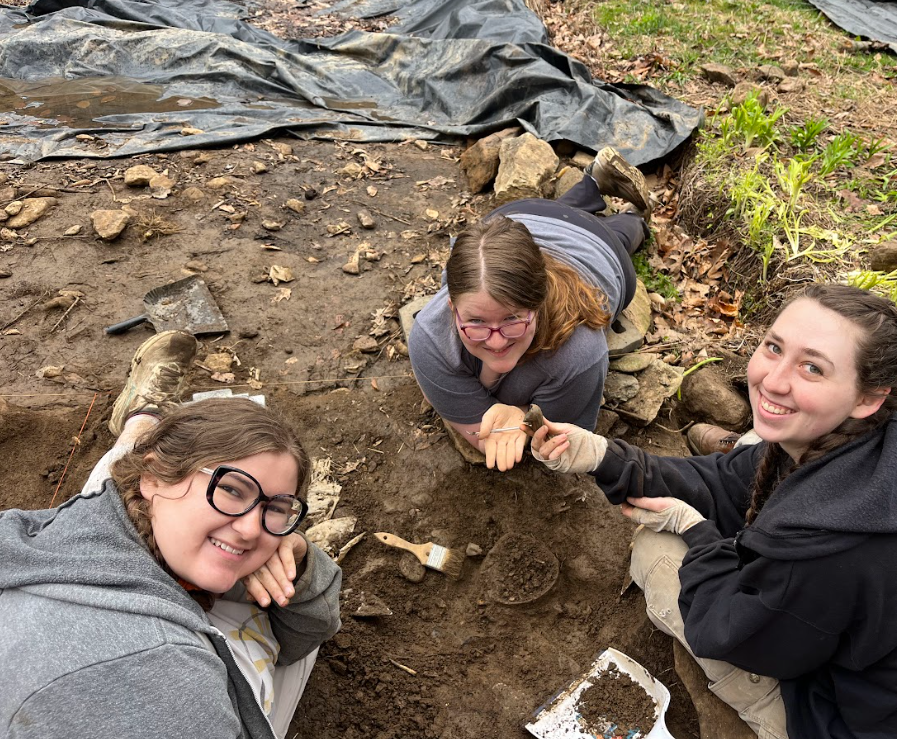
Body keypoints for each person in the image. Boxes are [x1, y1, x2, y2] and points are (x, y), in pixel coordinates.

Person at [530, 284, 897, 739]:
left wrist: (696, 534)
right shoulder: (882, 443)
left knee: (655, 552)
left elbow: (732, 633)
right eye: (774, 347)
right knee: (761, 440)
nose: (772, 381)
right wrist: (601, 456)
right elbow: (727, 478)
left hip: (863, 726)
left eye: (812, 369)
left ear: (868, 397)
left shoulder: (826, 545)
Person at [0, 331, 342, 739]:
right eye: (231, 490)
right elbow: (301, 640)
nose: (252, 529)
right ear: (152, 475)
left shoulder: (98, 521)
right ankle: (145, 419)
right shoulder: (166, 683)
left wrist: (298, 555)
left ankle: (145, 418)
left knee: (127, 497)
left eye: (276, 508)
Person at [409, 146, 651, 471]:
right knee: (555, 215)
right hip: (517, 217)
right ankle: (590, 183)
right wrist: (521, 414)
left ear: (539, 301)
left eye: (512, 319)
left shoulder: (580, 354)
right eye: (476, 321)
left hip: (599, 247)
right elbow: (487, 436)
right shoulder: (429, 335)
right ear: (452, 307)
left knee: (624, 232)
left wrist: (510, 415)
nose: (495, 342)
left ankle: (633, 216)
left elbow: (549, 441)